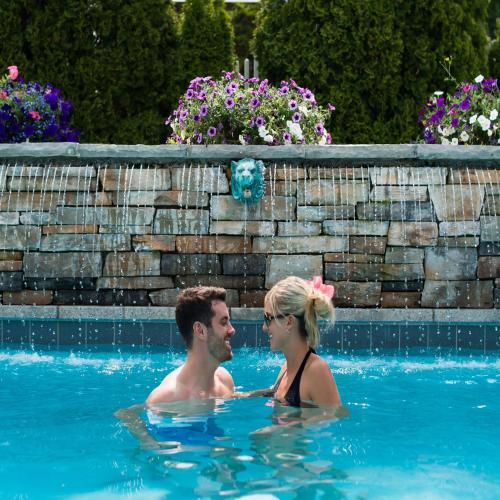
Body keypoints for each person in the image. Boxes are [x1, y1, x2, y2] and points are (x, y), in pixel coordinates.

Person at [261, 276, 341, 408]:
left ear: (289, 322)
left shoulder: (316, 371)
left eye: (268, 318)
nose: (264, 327)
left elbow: (334, 415)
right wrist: (238, 396)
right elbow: (275, 394)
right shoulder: (287, 367)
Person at [146, 286, 236, 404]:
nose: (232, 330)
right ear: (200, 330)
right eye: (224, 322)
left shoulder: (225, 381)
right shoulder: (165, 399)